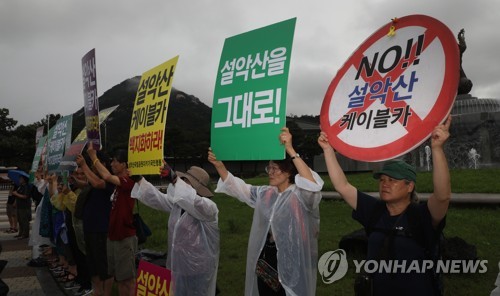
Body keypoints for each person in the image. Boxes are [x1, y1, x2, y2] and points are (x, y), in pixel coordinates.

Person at [318, 115, 452, 296]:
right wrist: (327, 150)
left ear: (409, 187)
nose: (385, 184)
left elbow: (442, 197)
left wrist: (436, 149)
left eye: (392, 180)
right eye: (382, 180)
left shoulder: (421, 216)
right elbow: (343, 186)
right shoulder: (374, 210)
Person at [208, 127, 324, 296]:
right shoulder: (267, 193)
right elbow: (238, 188)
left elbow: (312, 185)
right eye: (269, 168)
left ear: (289, 171)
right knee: (266, 292)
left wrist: (290, 149)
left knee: (288, 292)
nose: (270, 172)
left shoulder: (302, 196)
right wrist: (219, 166)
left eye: (275, 168)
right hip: (267, 260)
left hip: (293, 259)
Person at [131, 162, 220, 296]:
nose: (181, 184)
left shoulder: (209, 208)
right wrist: (139, 179)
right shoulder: (178, 205)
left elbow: (195, 203)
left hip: (198, 270)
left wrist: (174, 179)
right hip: (178, 267)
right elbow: (157, 198)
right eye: (182, 180)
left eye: (185, 181)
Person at [86, 144, 136, 296]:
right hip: (113, 236)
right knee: (120, 279)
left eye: (115, 161)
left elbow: (106, 176)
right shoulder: (117, 184)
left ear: (124, 164)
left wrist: (94, 157)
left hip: (124, 236)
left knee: (127, 279)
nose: (112, 164)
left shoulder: (129, 181)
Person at [76, 151, 115, 296]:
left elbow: (97, 183)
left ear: (102, 164)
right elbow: (89, 183)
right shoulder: (95, 179)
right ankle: (97, 292)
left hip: (101, 230)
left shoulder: (111, 180)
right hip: (90, 229)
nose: (93, 167)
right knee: (93, 267)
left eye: (95, 164)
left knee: (104, 268)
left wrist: (84, 165)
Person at [11, 174, 31, 239]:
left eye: (21, 178)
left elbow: (25, 196)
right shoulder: (20, 186)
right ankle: (21, 233)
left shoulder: (26, 187)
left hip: (24, 206)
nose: (19, 180)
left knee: (24, 220)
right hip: (19, 206)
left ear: (24, 179)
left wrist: (16, 193)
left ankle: (25, 234)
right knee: (20, 220)